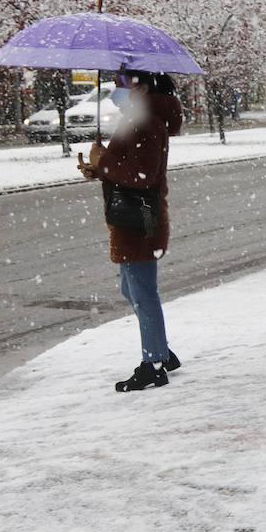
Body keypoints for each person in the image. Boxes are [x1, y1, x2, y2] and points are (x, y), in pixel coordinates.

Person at [79, 69, 184, 391]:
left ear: (141, 86)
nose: (115, 86)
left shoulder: (147, 122)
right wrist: (99, 167)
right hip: (131, 214)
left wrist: (105, 161)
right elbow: (127, 167)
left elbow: (144, 176)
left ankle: (154, 363)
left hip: (142, 216)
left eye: (122, 82)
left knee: (142, 292)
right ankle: (162, 352)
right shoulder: (139, 118)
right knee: (131, 288)